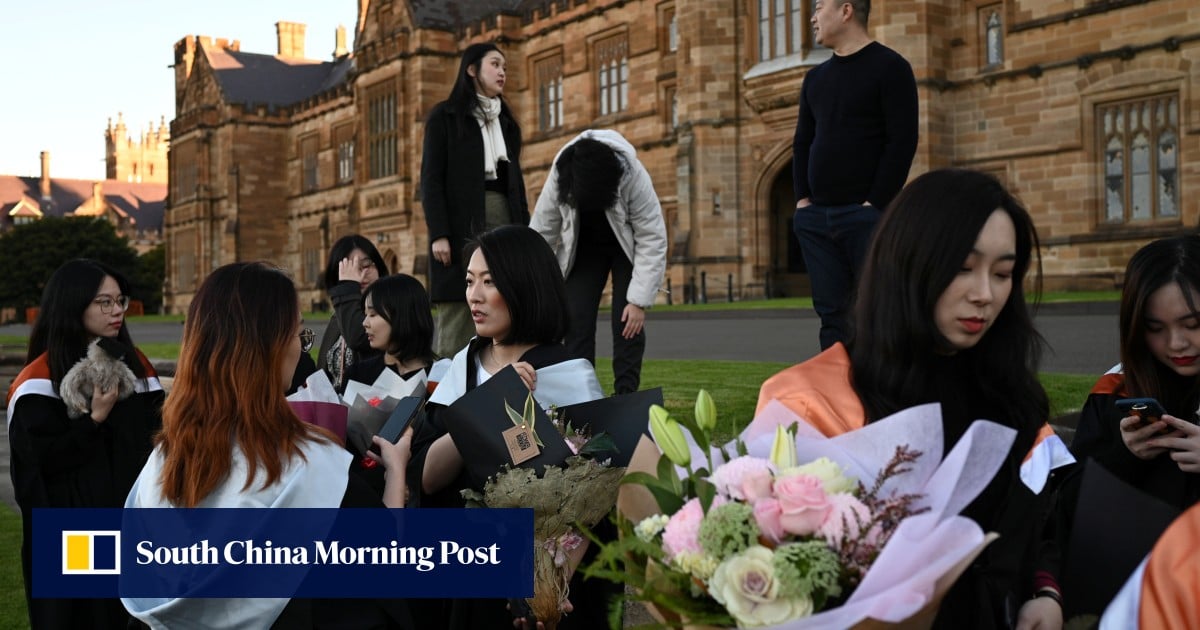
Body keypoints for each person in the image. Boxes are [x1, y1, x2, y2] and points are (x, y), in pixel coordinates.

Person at [757, 169, 1073, 629]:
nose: (984, 294)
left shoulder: (1011, 396)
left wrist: (1045, 591)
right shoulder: (809, 403)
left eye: (1003, 273)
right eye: (962, 268)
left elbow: (1039, 527)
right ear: (907, 262)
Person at [121, 262, 412, 629]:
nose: (300, 348)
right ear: (271, 348)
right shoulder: (311, 469)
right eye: (299, 334)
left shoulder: (163, 461)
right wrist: (396, 471)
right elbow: (383, 567)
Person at [408, 225, 605, 629]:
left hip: (546, 580)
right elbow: (426, 477)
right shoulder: (462, 367)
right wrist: (488, 406)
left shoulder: (569, 375)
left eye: (490, 281)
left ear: (525, 286)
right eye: (469, 281)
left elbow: (592, 501)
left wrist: (549, 588)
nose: (474, 295)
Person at [6, 259, 164, 630]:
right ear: (73, 304)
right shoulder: (38, 382)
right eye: (103, 302)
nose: (117, 311)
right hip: (75, 532)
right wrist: (95, 420)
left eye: (120, 301)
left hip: (135, 526)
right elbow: (40, 468)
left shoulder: (138, 369)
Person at [792, 0, 919, 350]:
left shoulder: (891, 68)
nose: (813, 17)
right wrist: (802, 202)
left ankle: (880, 384)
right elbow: (802, 142)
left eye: (819, 7)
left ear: (846, 11)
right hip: (816, 220)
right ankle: (838, 385)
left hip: (864, 217)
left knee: (877, 313)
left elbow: (902, 141)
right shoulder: (815, 78)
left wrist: (874, 204)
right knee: (832, 316)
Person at [531, 129, 667, 395]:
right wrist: (535, 286)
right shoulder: (561, 173)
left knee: (627, 322)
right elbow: (541, 232)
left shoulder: (631, 174)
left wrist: (638, 301)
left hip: (626, 248)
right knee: (576, 321)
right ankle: (582, 397)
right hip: (583, 249)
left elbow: (652, 236)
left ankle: (625, 396)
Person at [1072, 235, 1200, 509]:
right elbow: (1069, 505)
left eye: (1193, 324)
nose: (1176, 343)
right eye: (1155, 328)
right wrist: (1125, 457)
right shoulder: (1115, 390)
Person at [421, 42, 529, 358]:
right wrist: (439, 233)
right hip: (460, 228)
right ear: (471, 69)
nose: (502, 72)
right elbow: (431, 179)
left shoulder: (507, 123)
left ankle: (499, 378)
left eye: (505, 67)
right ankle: (447, 384)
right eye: (495, 64)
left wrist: (525, 233)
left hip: (504, 221)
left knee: (507, 304)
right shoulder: (444, 117)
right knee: (458, 317)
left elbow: (516, 186)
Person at [316, 235, 389, 393]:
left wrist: (348, 287)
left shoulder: (390, 312)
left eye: (366, 265)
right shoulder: (339, 315)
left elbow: (357, 337)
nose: (360, 274)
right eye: (350, 268)